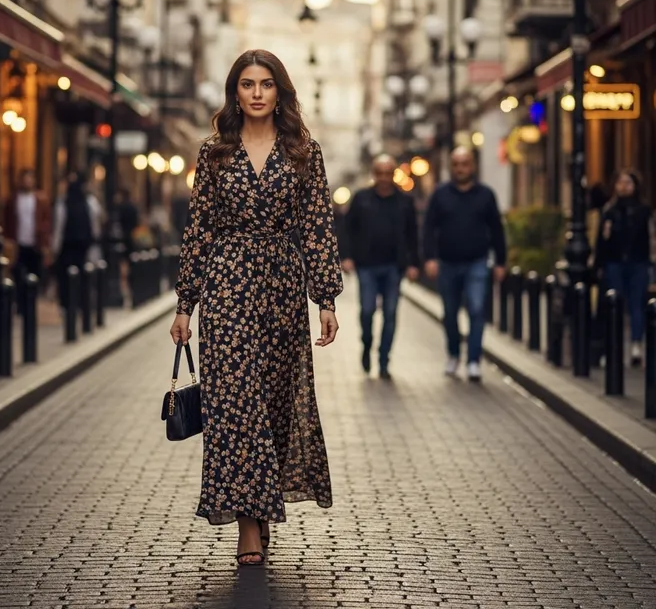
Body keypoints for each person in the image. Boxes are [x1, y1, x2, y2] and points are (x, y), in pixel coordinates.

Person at [169, 49, 342, 567]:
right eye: (248, 84)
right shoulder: (214, 152)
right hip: (227, 284)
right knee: (235, 406)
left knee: (272, 403)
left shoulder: (304, 152)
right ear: (236, 92)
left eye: (267, 84)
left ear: (280, 91)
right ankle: (248, 525)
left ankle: (261, 506)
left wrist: (325, 299)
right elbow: (198, 230)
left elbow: (317, 225)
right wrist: (185, 305)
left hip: (282, 289)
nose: (258, 93)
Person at [423, 147, 506, 382]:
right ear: (452, 167)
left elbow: (497, 229)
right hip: (447, 263)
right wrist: (430, 258)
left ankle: (473, 360)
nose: (461, 168)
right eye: (457, 164)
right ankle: (453, 353)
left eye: (465, 163)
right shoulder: (440, 195)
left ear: (473, 166)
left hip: (477, 263)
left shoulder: (486, 195)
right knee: (450, 313)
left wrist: (501, 261)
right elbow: (429, 228)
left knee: (477, 309)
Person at [340, 154, 420, 379]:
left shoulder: (405, 202)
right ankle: (367, 344)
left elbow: (413, 234)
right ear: (374, 174)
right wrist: (346, 256)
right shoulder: (361, 199)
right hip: (366, 265)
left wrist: (414, 263)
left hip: (394, 266)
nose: (384, 178)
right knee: (367, 311)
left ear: (393, 174)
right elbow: (347, 229)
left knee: (391, 314)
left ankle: (384, 360)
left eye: (388, 173)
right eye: (380, 173)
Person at [594, 169, 654, 367]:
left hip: (638, 262)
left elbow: (651, 239)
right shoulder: (609, 210)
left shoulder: (644, 211)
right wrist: (599, 263)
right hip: (615, 262)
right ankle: (612, 347)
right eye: (620, 182)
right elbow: (601, 241)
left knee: (637, 304)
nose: (624, 186)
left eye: (628, 183)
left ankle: (636, 345)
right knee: (614, 304)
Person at [3, 169, 52, 310]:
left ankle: (30, 304)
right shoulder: (13, 200)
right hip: (18, 243)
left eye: (30, 179)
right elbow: (7, 221)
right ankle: (20, 303)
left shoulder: (41, 199)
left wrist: (45, 243)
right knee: (18, 273)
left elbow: (46, 222)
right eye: (25, 179)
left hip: (34, 243)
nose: (27, 182)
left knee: (34, 274)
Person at [52, 173, 102, 307]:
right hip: (82, 246)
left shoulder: (63, 203)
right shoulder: (89, 203)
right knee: (82, 275)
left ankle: (69, 304)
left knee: (68, 276)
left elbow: (59, 227)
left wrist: (55, 248)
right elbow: (95, 225)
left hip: (69, 246)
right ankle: (80, 303)